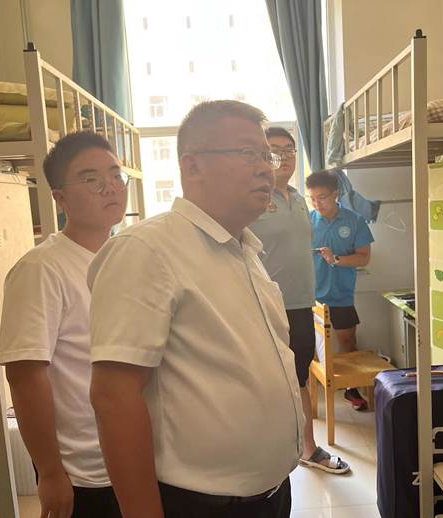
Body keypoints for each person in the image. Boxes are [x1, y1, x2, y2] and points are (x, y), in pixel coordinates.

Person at [88, 100, 305, 518]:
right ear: (192, 166)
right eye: (248, 154)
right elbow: (114, 396)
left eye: (268, 156)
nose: (266, 168)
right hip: (201, 504)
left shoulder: (245, 249)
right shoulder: (148, 249)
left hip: (272, 493)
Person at [0, 132, 129, 518]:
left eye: (116, 175)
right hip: (85, 471)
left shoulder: (124, 257)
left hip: (134, 455)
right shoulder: (41, 269)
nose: (110, 187)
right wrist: (51, 472)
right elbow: (24, 376)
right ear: (60, 198)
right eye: (91, 179)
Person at [249, 127, 350, 474]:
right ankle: (267, 453)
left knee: (300, 378)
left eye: (289, 150)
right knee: (267, 381)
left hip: (301, 304)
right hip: (264, 306)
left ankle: (308, 448)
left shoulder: (298, 198)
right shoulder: (253, 197)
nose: (284, 156)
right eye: (274, 150)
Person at [306, 170, 374, 411]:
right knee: (310, 347)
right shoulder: (307, 222)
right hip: (311, 297)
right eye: (312, 199)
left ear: (335, 194)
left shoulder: (354, 221)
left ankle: (351, 389)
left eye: (322, 197)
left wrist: (335, 259)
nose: (317, 204)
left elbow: (364, 258)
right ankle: (310, 394)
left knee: (348, 341)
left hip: (342, 295)